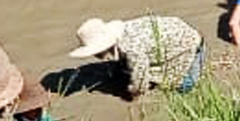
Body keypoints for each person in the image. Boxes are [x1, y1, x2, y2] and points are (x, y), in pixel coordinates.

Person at [68, 14, 204, 99]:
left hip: (189, 43)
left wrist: (132, 92)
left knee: (184, 86)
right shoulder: (122, 31)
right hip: (171, 34)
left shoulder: (131, 49)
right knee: (128, 67)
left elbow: (140, 82)